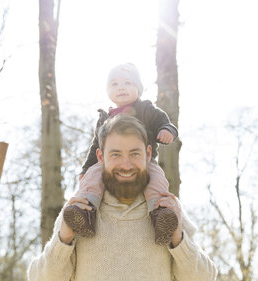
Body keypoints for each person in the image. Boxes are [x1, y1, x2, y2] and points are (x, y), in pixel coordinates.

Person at [27, 115, 217, 281]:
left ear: (147, 154)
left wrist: (178, 239)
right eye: (115, 154)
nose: (126, 164)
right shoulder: (79, 212)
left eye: (134, 153)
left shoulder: (167, 210)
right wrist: (63, 240)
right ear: (100, 157)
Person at [63, 63, 179, 245]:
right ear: (108, 91)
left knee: (157, 179)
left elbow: (163, 121)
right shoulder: (104, 118)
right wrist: (86, 168)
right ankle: (85, 211)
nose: (121, 87)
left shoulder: (146, 109)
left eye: (128, 83)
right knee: (93, 175)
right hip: (110, 163)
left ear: (138, 89)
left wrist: (167, 130)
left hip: (144, 163)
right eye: (115, 84)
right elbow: (96, 147)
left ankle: (161, 215)